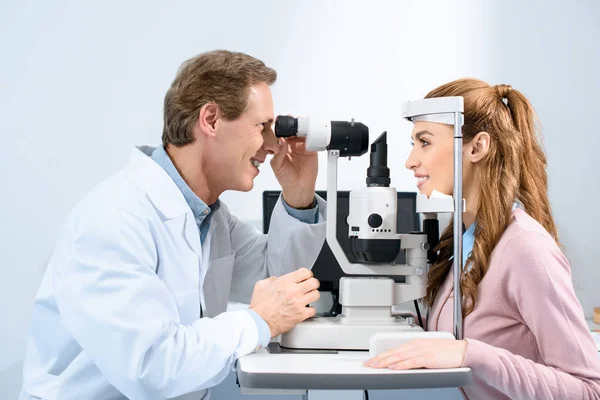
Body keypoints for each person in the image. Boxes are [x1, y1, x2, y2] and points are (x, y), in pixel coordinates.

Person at [19, 50, 327, 400]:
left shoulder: (208, 217)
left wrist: (298, 194)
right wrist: (254, 322)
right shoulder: (114, 220)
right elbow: (149, 367)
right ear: (210, 120)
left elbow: (278, 282)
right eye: (262, 127)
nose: (273, 145)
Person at [364, 78, 600, 399]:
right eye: (413, 144)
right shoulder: (463, 242)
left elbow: (587, 389)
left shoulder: (526, 248)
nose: (410, 161)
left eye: (425, 142)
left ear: (477, 147)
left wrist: (470, 355)